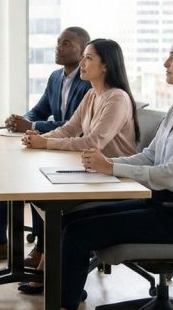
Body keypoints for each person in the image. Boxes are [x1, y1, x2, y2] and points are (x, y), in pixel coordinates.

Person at [6, 33, 173, 310]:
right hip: (160, 203)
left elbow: (170, 172)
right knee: (70, 222)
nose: (166, 63)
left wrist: (111, 168)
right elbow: (150, 157)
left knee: (78, 233)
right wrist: (109, 163)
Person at [16, 38, 139, 294]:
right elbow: (70, 128)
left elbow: (93, 141)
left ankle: (57, 276)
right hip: (90, 172)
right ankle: (50, 272)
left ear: (105, 66)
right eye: (83, 57)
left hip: (115, 181)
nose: (81, 63)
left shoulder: (116, 99)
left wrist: (45, 145)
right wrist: (40, 139)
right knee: (44, 197)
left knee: (56, 208)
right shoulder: (93, 94)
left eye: (89, 58)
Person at [0, 27, 92, 266]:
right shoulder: (56, 77)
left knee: (34, 180)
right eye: (57, 42)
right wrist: (20, 120)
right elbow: (40, 109)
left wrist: (31, 124)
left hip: (73, 152)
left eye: (66, 43)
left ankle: (43, 249)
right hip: (53, 144)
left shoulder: (88, 84)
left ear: (83, 52)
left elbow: (77, 125)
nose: (58, 47)